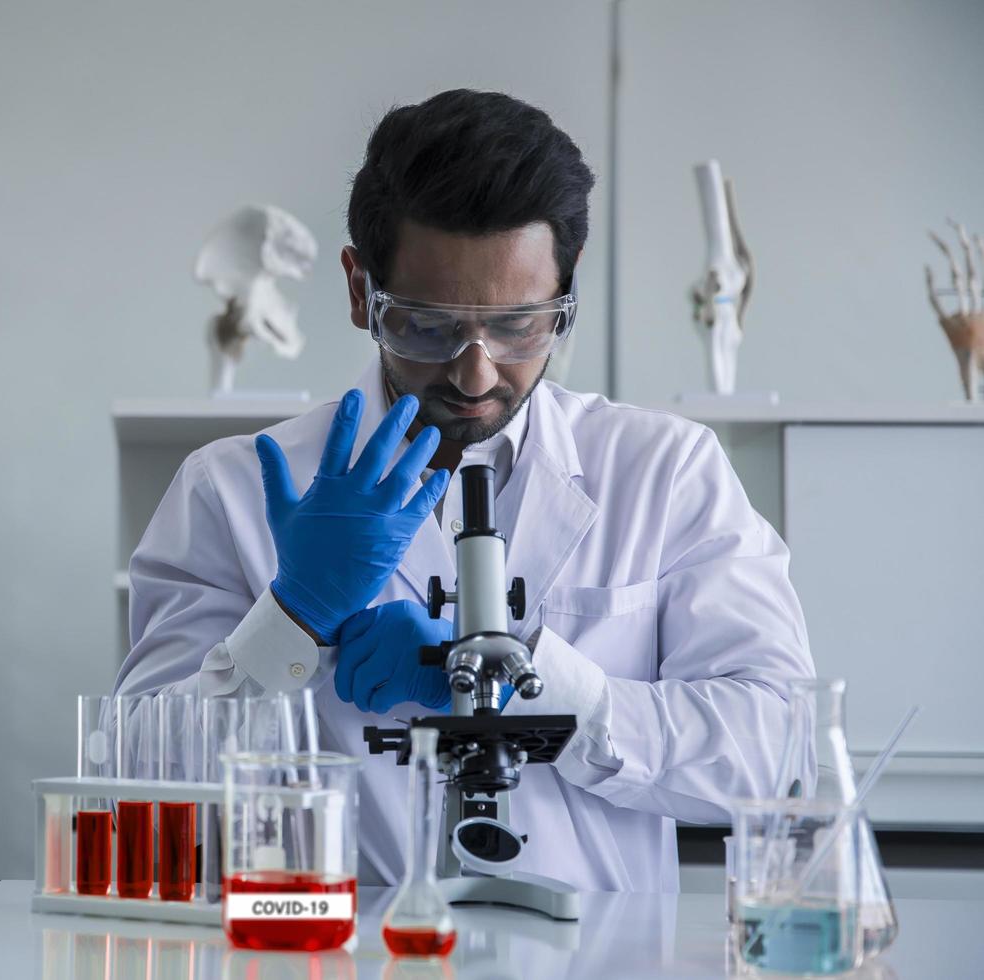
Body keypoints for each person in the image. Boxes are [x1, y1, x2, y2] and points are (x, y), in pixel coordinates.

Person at [115, 89, 814, 891]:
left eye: (521, 325)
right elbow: (142, 779)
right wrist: (293, 617)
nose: (476, 371)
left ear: (567, 290)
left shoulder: (664, 472)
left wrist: (504, 677)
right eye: (428, 324)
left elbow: (774, 755)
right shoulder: (230, 488)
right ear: (358, 291)